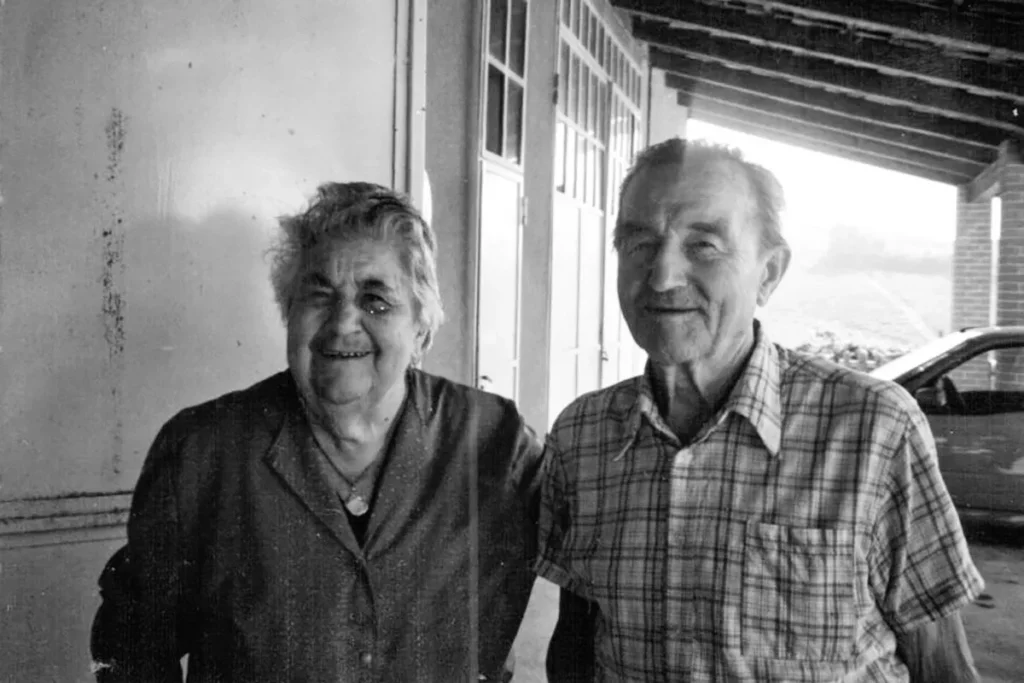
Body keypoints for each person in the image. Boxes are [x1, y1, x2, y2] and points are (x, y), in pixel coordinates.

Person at [536, 138, 984, 682]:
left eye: (703, 245)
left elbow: (942, 665)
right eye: (639, 243)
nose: (662, 277)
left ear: (768, 274)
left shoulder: (873, 429)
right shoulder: (582, 435)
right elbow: (575, 644)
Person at [91, 182, 542, 682]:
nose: (343, 323)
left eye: (376, 301)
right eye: (318, 296)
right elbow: (130, 645)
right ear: (289, 313)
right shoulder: (202, 452)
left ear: (420, 328)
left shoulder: (495, 443)